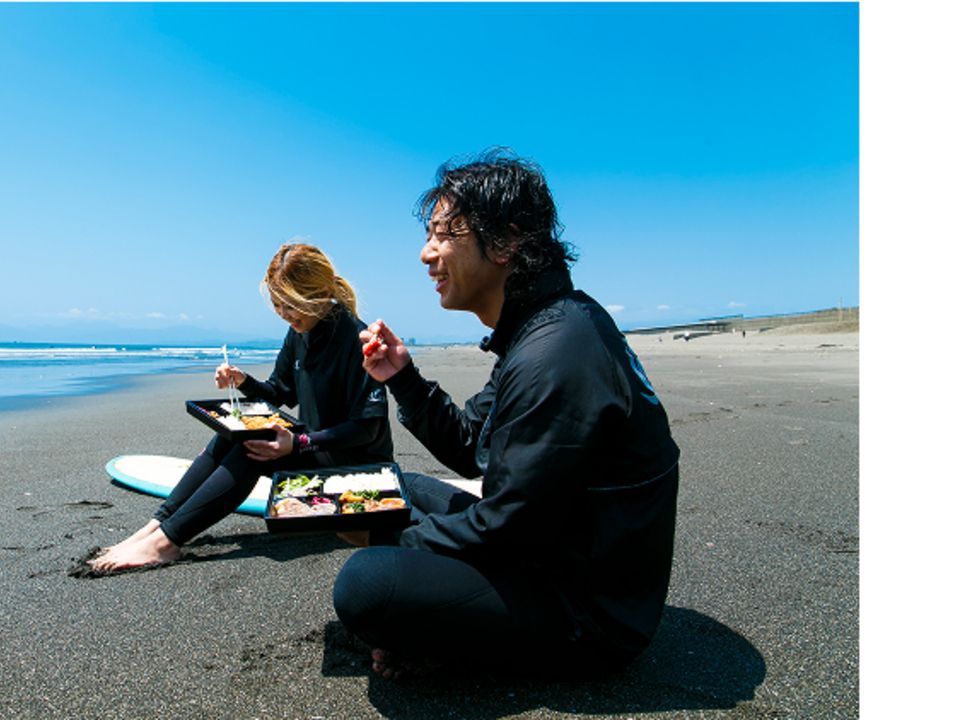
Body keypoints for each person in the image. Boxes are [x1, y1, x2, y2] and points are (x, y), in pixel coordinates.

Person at [333, 148, 681, 681]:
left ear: (506, 240)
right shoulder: (541, 327)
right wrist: (401, 376)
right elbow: (471, 446)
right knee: (391, 487)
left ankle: (453, 648)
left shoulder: (557, 352)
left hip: (590, 613)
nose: (426, 254)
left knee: (367, 583)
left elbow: (509, 528)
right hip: (557, 547)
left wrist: (386, 544)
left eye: (443, 234)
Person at [89, 243, 394, 572]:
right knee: (233, 434)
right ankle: (156, 527)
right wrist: (243, 380)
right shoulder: (301, 331)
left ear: (320, 293)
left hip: (358, 477)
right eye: (277, 305)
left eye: (290, 305)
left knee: (253, 450)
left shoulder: (357, 340)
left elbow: (368, 428)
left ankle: (166, 543)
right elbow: (278, 391)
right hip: (319, 455)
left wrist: (299, 443)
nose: (283, 314)